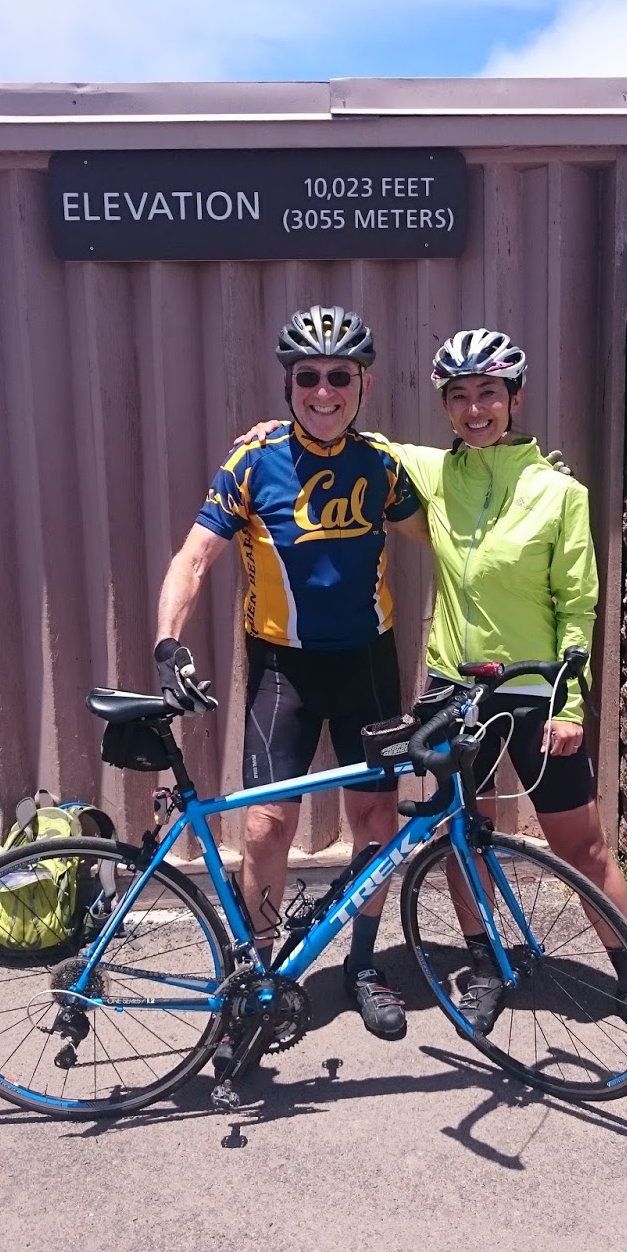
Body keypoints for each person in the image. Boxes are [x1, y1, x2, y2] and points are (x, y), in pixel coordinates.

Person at [236, 327, 627, 1058]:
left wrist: (571, 705)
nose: (475, 409)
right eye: (459, 396)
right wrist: (274, 430)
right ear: (445, 405)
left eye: (488, 394)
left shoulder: (559, 492)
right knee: (465, 836)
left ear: (515, 399)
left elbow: (579, 607)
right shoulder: (430, 471)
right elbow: (341, 433)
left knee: (581, 845)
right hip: (456, 690)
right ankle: (484, 965)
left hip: (538, 691)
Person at [154, 305, 429, 1043]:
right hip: (284, 669)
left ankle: (363, 966)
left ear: (364, 385)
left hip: (368, 663)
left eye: (340, 375)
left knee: (376, 821)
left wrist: (531, 483)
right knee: (266, 825)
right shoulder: (252, 462)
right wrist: (167, 641)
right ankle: (260, 976)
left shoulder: (383, 466)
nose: (324, 391)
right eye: (309, 377)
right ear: (288, 384)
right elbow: (193, 558)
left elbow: (452, 528)